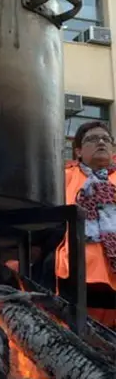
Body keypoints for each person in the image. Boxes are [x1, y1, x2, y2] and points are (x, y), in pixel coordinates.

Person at [55, 121, 116, 328]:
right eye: (92, 139)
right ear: (78, 151)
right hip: (78, 274)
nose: (101, 142)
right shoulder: (63, 177)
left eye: (106, 139)